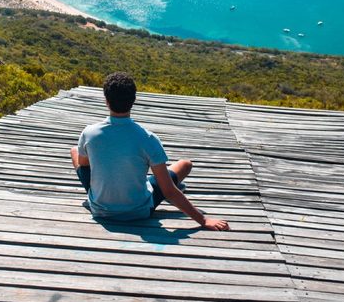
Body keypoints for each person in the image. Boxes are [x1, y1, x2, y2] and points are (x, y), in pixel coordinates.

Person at [70, 72, 230, 231]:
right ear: (133, 100)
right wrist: (203, 220)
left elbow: (84, 167)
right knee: (185, 164)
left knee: (75, 152)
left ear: (106, 100)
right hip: (139, 211)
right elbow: (168, 191)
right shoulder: (148, 138)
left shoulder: (89, 133)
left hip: (101, 210)